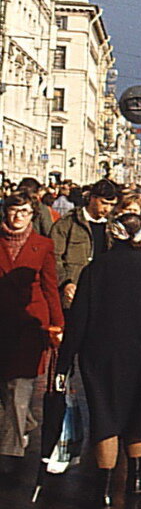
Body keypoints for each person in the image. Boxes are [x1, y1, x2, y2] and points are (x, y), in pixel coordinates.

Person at [56, 213, 141, 509]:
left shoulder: (95, 270)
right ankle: (136, 478)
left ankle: (104, 490)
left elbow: (78, 321)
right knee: (137, 417)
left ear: (112, 236)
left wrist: (64, 364)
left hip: (102, 356)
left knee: (106, 419)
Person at [0, 192, 63, 479]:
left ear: (32, 214)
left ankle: (11, 451)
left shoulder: (43, 245)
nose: (17, 217)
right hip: (2, 323)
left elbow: (51, 287)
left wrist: (57, 324)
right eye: (13, 211)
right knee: (6, 386)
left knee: (19, 385)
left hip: (30, 325)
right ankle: (24, 422)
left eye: (24, 211)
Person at [49, 179, 119, 309]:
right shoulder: (68, 223)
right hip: (74, 291)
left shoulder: (113, 226)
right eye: (104, 203)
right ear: (92, 198)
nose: (107, 209)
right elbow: (53, 257)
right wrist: (66, 283)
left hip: (104, 291)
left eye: (112, 205)